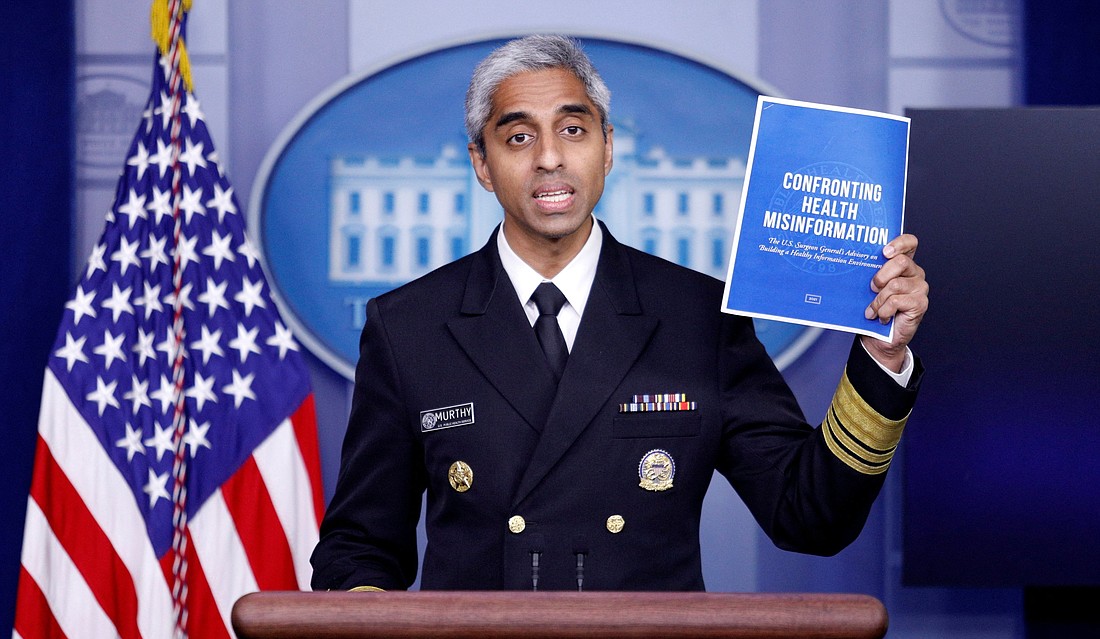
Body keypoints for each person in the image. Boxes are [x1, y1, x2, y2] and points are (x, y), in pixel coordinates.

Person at [310, 35, 927, 592]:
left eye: (573, 130)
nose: (549, 158)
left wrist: (883, 357)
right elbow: (360, 546)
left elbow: (808, 516)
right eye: (519, 136)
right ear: (481, 162)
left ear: (607, 147)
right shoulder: (409, 325)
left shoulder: (698, 317)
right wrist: (380, 635)